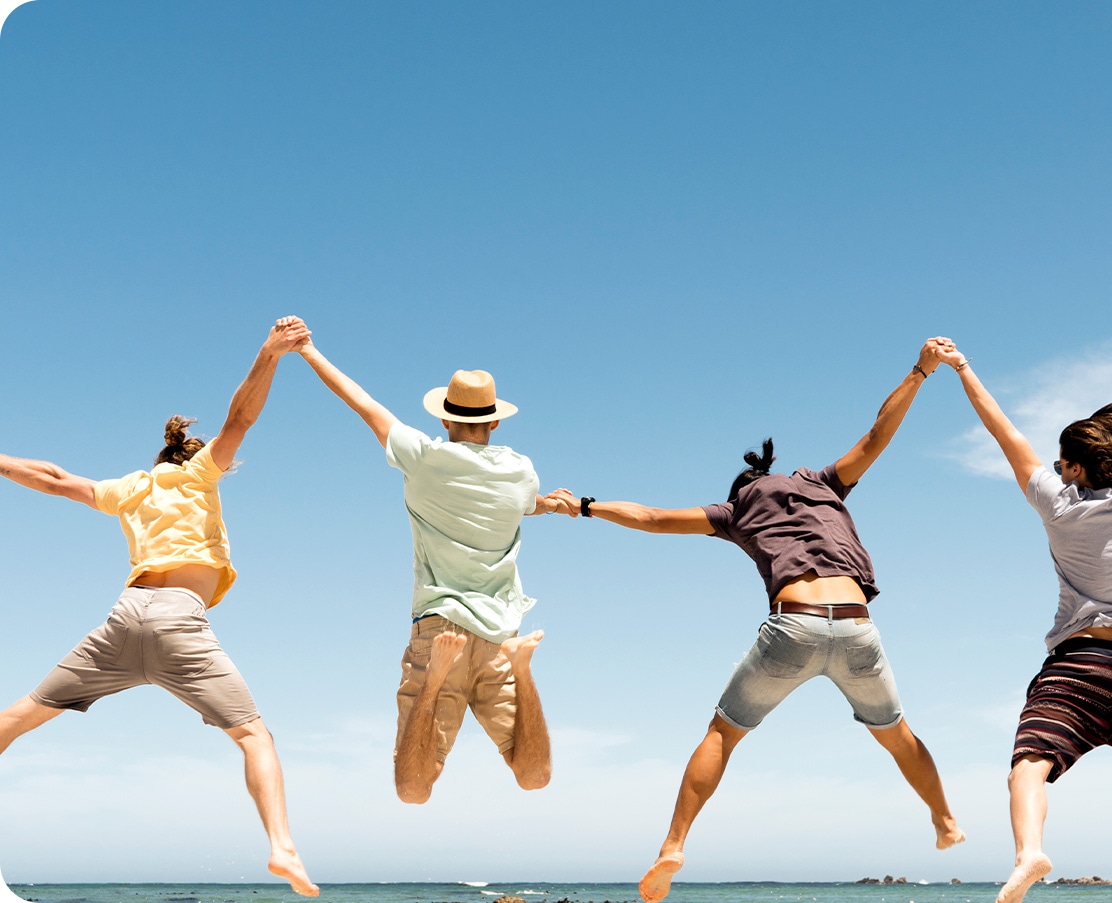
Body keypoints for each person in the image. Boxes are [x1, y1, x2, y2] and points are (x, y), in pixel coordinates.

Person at [548, 338, 964, 903]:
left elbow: (649, 517)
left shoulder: (736, 509)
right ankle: (944, 820)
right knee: (897, 735)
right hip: (857, 624)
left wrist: (585, 505)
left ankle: (674, 843)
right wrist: (921, 370)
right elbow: (876, 436)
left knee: (723, 733)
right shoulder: (821, 482)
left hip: (793, 625)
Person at [0, 318, 318, 897]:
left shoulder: (132, 487)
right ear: (198, 458)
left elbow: (51, 480)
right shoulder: (199, 473)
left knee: (16, 719)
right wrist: (270, 352)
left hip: (125, 618)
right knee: (253, 736)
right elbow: (240, 420)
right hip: (179, 621)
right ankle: (283, 847)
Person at [935, 288, 1112, 903]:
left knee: (1030, 764)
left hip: (1075, 667)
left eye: (1061, 464)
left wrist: (964, 369)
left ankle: (1030, 852)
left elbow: (1003, 432)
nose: (1055, 471)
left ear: (1077, 470)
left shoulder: (1058, 506)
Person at [295, 337, 566, 804]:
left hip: (440, 633)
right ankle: (524, 670)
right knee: (533, 777)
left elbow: (362, 403)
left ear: (444, 416)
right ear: (495, 420)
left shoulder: (422, 457)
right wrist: (553, 506)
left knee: (413, 790)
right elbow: (525, 505)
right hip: (502, 635)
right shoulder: (521, 471)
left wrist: (307, 350)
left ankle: (438, 678)